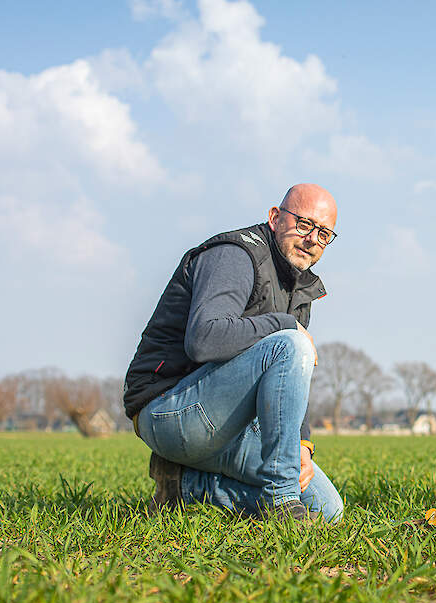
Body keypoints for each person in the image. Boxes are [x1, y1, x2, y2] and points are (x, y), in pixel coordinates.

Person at [123, 184, 343, 522]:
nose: (312, 238)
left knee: (326, 508)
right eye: (303, 223)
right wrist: (284, 324)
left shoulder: (298, 286)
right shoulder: (235, 254)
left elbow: (290, 380)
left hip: (227, 424)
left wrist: (302, 444)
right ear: (274, 218)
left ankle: (185, 485)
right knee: (291, 341)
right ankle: (281, 502)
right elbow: (204, 340)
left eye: (324, 233)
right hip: (169, 409)